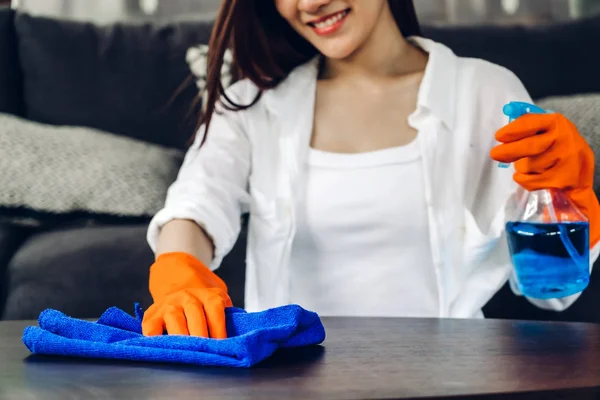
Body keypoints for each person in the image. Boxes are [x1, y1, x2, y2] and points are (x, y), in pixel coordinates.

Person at [141, 0, 600, 338]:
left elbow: (553, 293)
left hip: (451, 380)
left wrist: (572, 198)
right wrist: (179, 267)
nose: (310, 4)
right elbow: (198, 201)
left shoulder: (483, 91)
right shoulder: (253, 103)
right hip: (288, 381)